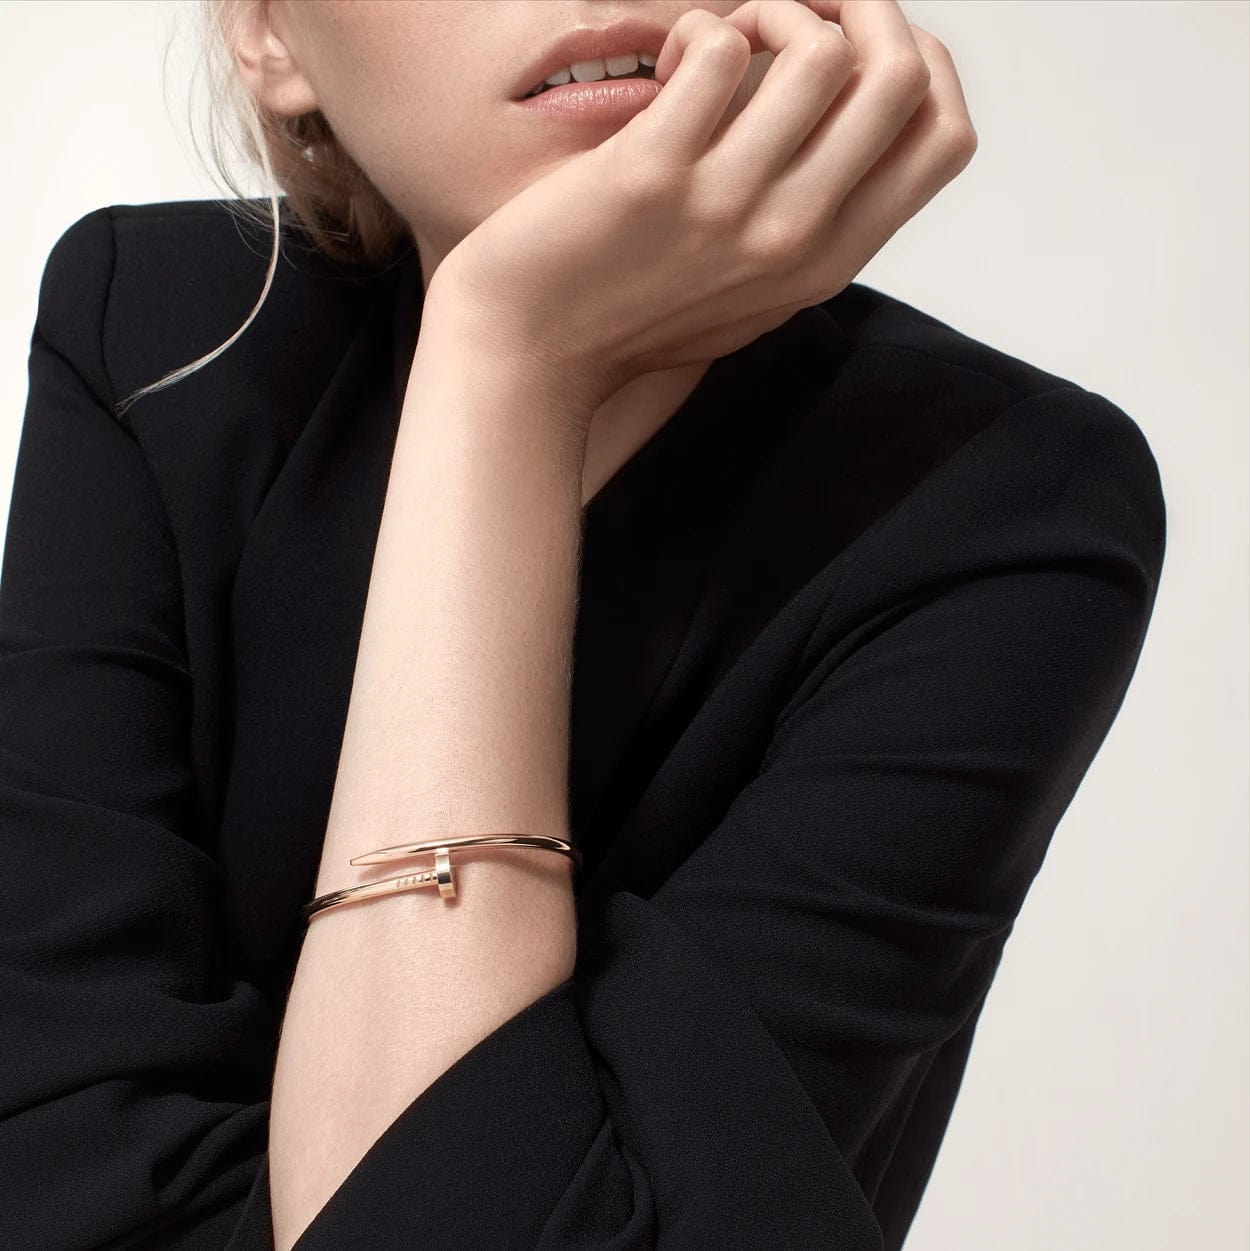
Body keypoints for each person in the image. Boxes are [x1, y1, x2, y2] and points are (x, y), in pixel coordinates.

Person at [0, 2, 1166, 1248]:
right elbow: (54, 1176)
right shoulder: (159, 333)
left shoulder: (1004, 498)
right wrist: (510, 357)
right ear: (273, 38)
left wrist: (508, 358)